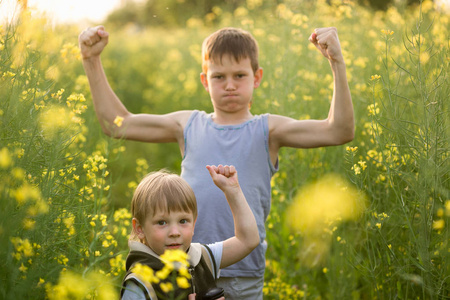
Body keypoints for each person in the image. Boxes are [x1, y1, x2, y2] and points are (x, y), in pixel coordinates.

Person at [79, 26, 354, 299]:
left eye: (240, 75)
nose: (230, 85)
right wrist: (91, 60)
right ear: (204, 80)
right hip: (186, 270)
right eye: (219, 76)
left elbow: (339, 130)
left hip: (243, 274)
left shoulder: (268, 130)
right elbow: (117, 125)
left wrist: (337, 62)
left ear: (257, 77)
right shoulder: (187, 125)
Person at [121, 164, 258, 300]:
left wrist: (233, 191)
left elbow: (247, 240)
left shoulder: (201, 257)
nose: (175, 232)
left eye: (183, 221)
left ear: (194, 223)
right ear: (139, 229)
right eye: (162, 222)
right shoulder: (139, 283)